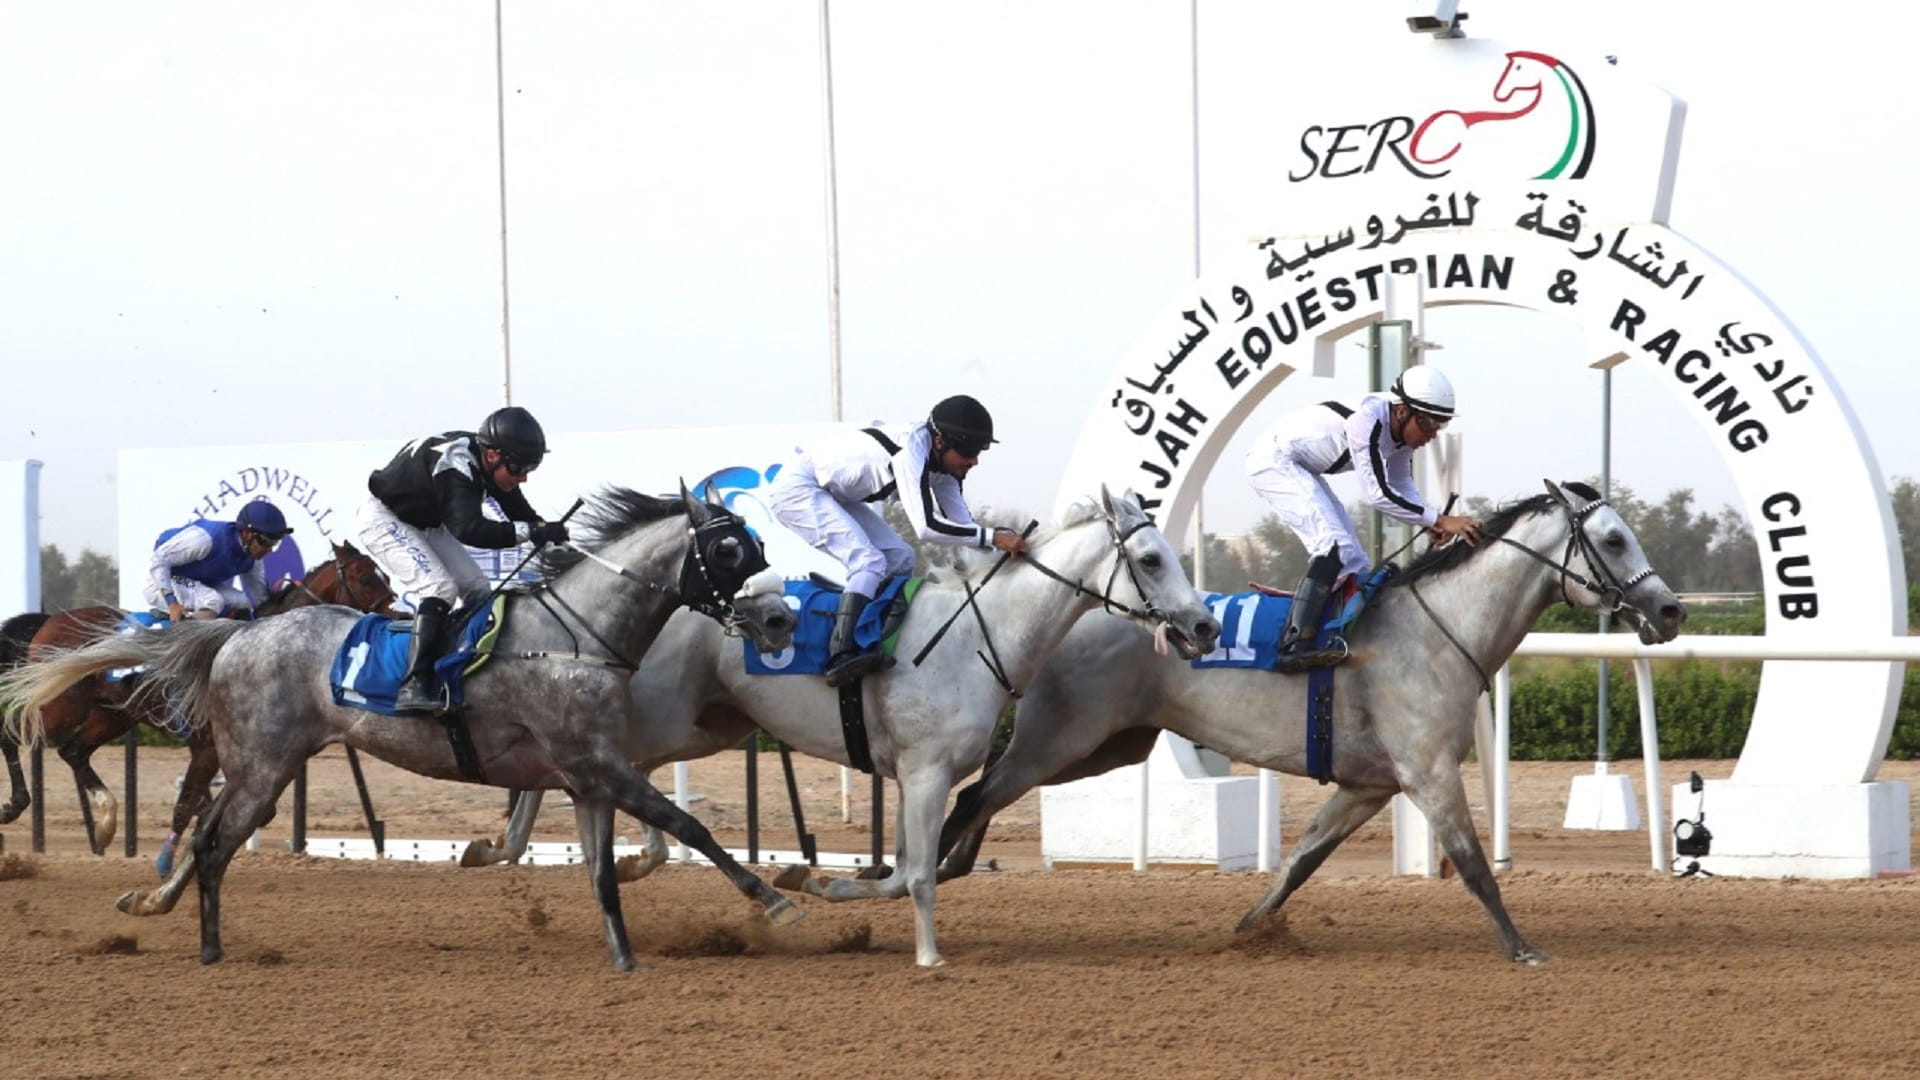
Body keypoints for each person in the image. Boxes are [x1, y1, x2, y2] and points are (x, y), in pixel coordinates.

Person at [767, 393, 1029, 686]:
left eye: (979, 451)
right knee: (868, 561)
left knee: (901, 557)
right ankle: (841, 654)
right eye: (969, 451)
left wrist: (1002, 546)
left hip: (833, 494)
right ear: (941, 442)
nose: (975, 460)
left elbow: (962, 526)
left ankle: (872, 640)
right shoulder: (911, 453)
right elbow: (928, 528)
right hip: (798, 489)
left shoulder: (943, 464)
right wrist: (994, 537)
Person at [1244, 365, 1482, 672]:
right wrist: (1437, 520)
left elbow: (1400, 484)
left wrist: (1429, 520)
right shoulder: (1367, 421)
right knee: (1332, 548)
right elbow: (1378, 493)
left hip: (1301, 466)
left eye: (1439, 426)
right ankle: (1293, 646)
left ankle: (1336, 637)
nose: (1431, 436)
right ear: (1402, 412)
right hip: (1273, 460)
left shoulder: (1401, 436)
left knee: (1355, 561)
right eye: (1428, 425)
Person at [357, 405, 569, 714]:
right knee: (440, 588)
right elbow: (470, 529)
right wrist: (531, 531)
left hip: (424, 522)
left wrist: (551, 537)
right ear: (493, 455)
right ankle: (413, 685)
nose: (522, 477)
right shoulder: (457, 466)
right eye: (519, 468)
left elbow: (520, 512)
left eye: (529, 469)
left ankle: (463, 669)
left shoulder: (491, 460)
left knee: (478, 588)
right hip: (385, 518)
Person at [145, 499, 293, 622]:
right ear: (247, 533)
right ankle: (184, 642)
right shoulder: (206, 538)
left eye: (274, 543)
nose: (269, 550)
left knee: (245, 602)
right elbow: (158, 559)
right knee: (213, 600)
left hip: (195, 583)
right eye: (265, 542)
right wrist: (172, 603)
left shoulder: (253, 559)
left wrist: (286, 599)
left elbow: (259, 600)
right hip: (161, 579)